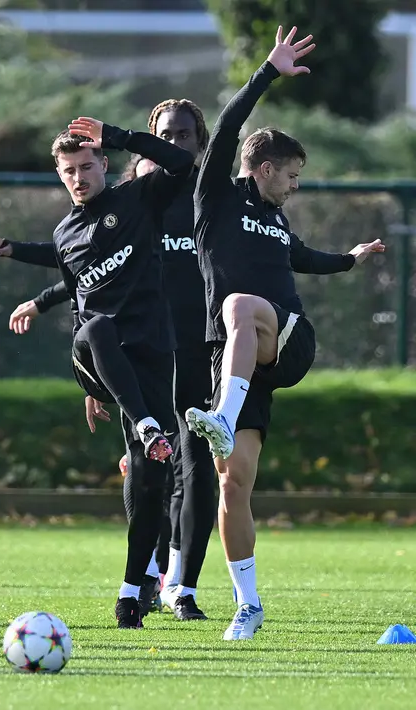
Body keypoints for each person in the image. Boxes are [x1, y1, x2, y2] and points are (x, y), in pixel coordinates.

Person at [180, 26, 384, 641]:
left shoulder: (275, 223)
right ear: (263, 168)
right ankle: (249, 603)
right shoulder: (215, 198)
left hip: (287, 342)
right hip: (238, 359)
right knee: (232, 483)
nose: (295, 185)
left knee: (241, 303)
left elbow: (305, 259)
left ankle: (223, 411)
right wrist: (266, 72)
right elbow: (222, 132)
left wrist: (349, 259)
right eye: (291, 175)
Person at [0, 99, 218, 622]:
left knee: (151, 479)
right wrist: (95, 386)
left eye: (87, 167)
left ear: (103, 166)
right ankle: (144, 422)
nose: (78, 178)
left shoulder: (136, 201)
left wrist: (116, 134)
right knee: (96, 325)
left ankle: (131, 591)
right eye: (69, 171)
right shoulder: (64, 234)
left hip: (147, 361)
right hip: (93, 352)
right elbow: (76, 294)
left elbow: (183, 164)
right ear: (59, 176)